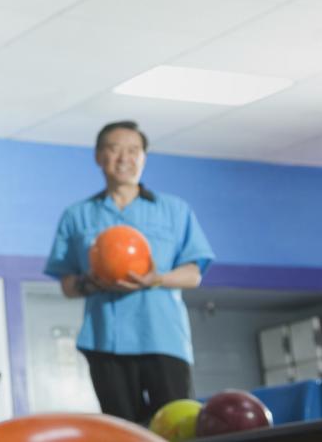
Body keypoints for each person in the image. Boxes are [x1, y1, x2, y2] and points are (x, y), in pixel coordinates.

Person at [44, 121, 215, 425]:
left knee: (177, 426)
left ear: (144, 158)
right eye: (114, 149)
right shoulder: (77, 215)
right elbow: (68, 284)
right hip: (104, 342)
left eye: (133, 150)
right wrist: (90, 283)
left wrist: (157, 278)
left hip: (163, 339)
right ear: (99, 157)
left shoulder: (174, 210)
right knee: (122, 431)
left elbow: (193, 274)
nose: (124, 157)